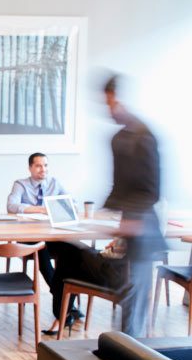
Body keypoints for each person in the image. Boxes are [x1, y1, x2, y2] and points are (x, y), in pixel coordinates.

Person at [42, 74, 165, 337]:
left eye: (113, 104)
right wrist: (114, 225)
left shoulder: (145, 137)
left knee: (133, 311)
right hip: (122, 242)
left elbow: (151, 190)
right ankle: (67, 317)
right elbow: (119, 188)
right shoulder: (118, 139)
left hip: (141, 240)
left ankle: (130, 356)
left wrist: (129, 226)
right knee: (67, 251)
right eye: (107, 104)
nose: (110, 111)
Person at [6, 153, 78, 320]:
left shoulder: (55, 183)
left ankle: (64, 300)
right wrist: (42, 209)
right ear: (30, 167)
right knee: (42, 251)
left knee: (74, 249)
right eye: (38, 166)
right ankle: (62, 298)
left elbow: (71, 203)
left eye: (45, 165)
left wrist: (56, 206)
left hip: (52, 235)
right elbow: (11, 206)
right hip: (29, 237)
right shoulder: (21, 184)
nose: (43, 169)